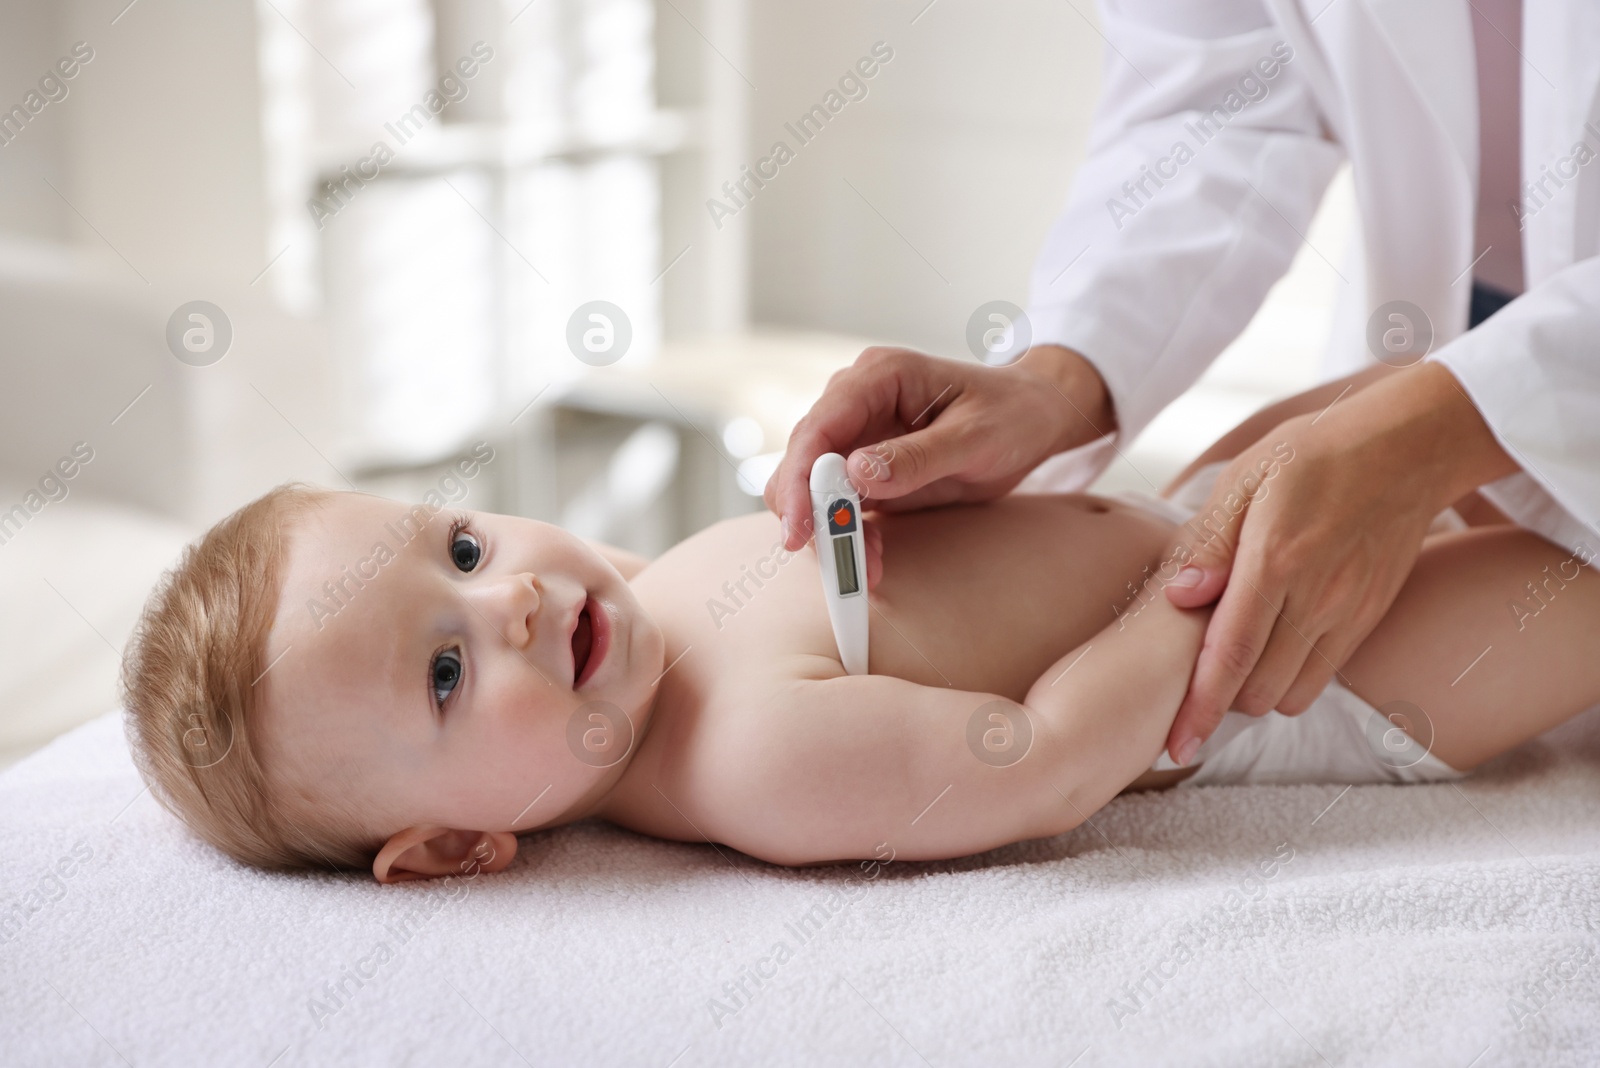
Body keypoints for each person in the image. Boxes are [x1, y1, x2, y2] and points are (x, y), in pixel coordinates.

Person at [118, 368, 1600, 879]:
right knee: (1569, 582)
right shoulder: (746, 760)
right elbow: (1036, 758)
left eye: (458, 544)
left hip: (1194, 522)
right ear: (451, 846)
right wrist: (1191, 588)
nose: (506, 595)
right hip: (1282, 667)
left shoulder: (641, 605)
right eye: (443, 669)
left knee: (1447, 417)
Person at [764, 0, 1600, 766]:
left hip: (1266, 596)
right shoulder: (726, 729)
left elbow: (1033, 762)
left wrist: (1429, 431)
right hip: (1285, 645)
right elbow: (1215, 98)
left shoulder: (725, 713)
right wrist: (1060, 379)